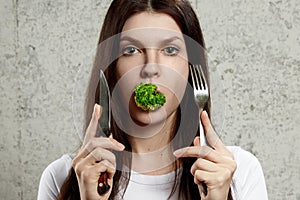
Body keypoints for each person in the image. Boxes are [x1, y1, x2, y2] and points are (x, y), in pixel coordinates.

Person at [37, 0, 268, 199]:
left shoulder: (239, 171)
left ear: (190, 67)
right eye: (130, 50)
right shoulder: (62, 175)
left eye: (169, 50)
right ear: (112, 67)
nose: (151, 68)